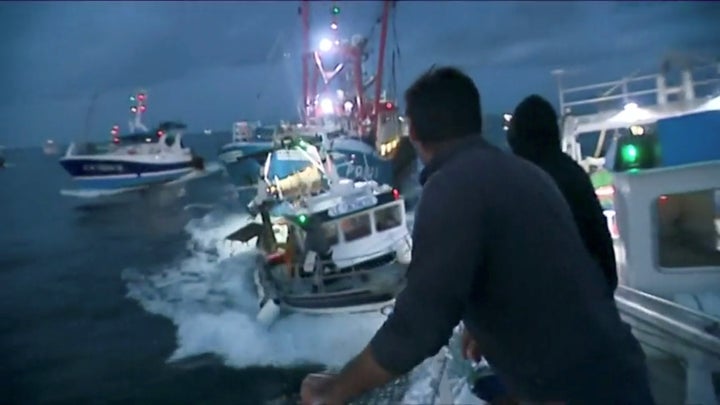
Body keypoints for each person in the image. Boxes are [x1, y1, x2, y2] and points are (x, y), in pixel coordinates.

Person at [299, 66, 654, 405]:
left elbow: (419, 324)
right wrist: (485, 326)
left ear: (415, 135)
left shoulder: (451, 187)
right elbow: (543, 272)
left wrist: (338, 388)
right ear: (474, 122)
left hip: (575, 391)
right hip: (620, 372)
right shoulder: (528, 174)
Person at [507, 94, 618, 293]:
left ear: (516, 138)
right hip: (588, 302)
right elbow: (600, 241)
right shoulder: (574, 174)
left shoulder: (516, 180)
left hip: (541, 307)